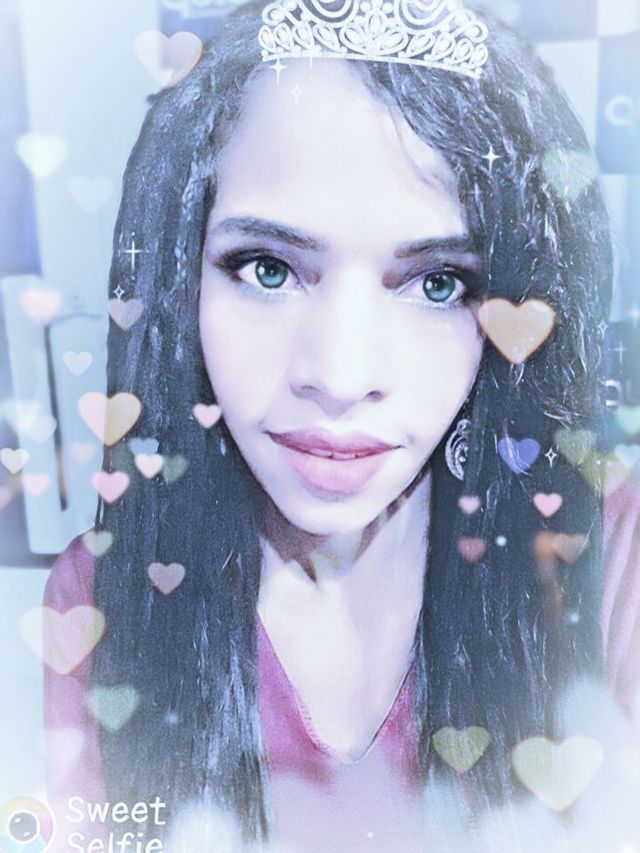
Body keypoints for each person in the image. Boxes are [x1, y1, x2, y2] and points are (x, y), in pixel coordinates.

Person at [42, 0, 640, 850]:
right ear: (182, 280)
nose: (339, 376)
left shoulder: (609, 553)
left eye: (438, 283)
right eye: (266, 268)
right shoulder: (102, 589)